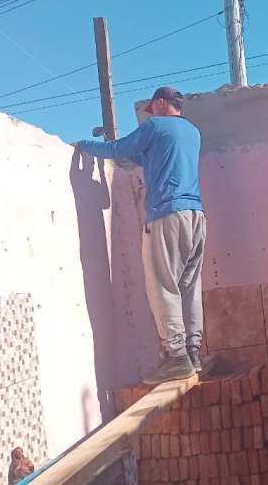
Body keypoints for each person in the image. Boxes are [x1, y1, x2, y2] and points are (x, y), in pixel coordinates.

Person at [73, 86, 206, 385]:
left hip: (167, 214)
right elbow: (160, 161)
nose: (151, 114)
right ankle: (193, 352)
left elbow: (119, 148)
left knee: (162, 285)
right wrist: (135, 161)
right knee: (188, 286)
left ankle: (176, 357)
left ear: (160, 103)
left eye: (152, 108)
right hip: (196, 216)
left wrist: (84, 146)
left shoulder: (155, 125)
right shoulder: (191, 132)